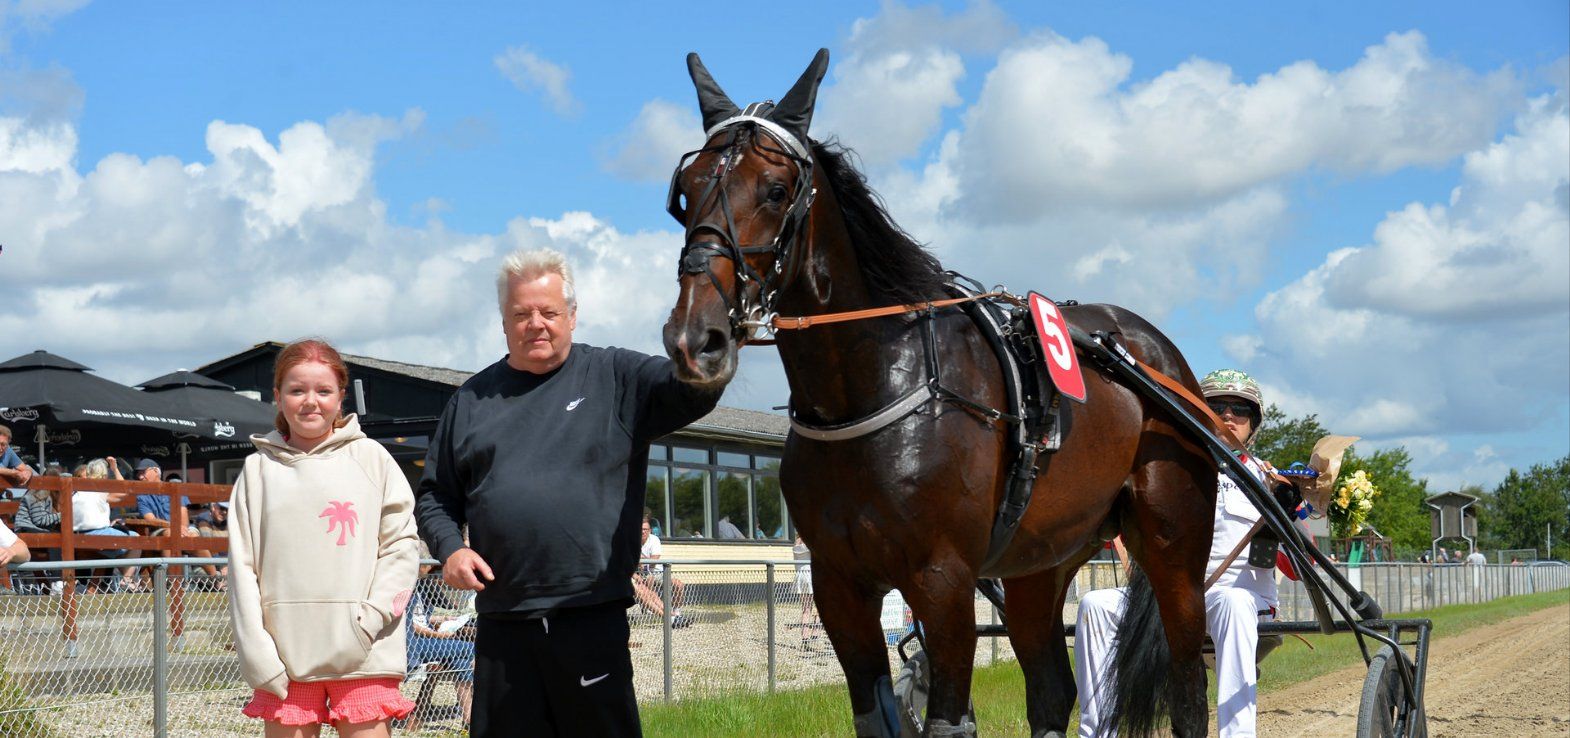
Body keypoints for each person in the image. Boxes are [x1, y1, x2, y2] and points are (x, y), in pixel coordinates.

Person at [414, 248, 721, 737]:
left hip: (590, 616)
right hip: (503, 622)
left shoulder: (616, 377)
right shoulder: (471, 400)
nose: (535, 323)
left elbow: (693, 388)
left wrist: (712, 336)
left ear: (572, 317)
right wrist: (449, 549)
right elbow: (434, 497)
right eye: (521, 313)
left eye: (548, 312)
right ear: (504, 321)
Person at [1076, 368, 1285, 738]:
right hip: (1170, 599)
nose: (1228, 416)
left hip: (1236, 600)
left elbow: (1302, 560)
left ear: (1255, 423)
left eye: (1240, 409)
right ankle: (1097, 733)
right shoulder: (1166, 476)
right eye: (1217, 406)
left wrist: (1292, 514)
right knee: (1095, 604)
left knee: (1234, 602)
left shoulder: (1272, 481)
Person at [228, 339, 420, 737]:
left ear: (341, 397)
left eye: (323, 390)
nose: (310, 402)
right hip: (284, 654)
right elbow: (241, 568)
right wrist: (257, 650)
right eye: (297, 390)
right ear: (278, 396)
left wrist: (371, 619)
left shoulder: (373, 459)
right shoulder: (257, 470)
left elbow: (401, 547)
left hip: (363, 650)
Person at [402, 546, 475, 732]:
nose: (432, 570)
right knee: (468, 650)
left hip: (428, 639)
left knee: (459, 659)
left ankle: (467, 719)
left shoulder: (422, 586)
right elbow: (408, 625)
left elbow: (422, 617)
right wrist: (439, 635)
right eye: (429, 566)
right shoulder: (405, 585)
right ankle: (471, 714)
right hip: (415, 642)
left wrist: (442, 619)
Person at [73, 458, 144, 592]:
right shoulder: (99, 491)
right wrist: (115, 469)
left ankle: (97, 587)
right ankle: (127, 580)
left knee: (120, 549)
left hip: (78, 538)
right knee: (137, 539)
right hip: (98, 535)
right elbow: (125, 490)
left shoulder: (75, 493)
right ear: (104, 476)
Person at [632, 509, 690, 627]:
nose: (643, 532)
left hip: (656, 572)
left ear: (650, 530)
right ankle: (660, 614)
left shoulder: (654, 540)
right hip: (636, 574)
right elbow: (629, 561)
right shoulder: (631, 540)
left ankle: (675, 613)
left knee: (678, 585)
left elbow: (653, 562)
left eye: (645, 529)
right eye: (641, 529)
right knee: (648, 584)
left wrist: (640, 559)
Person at [792, 534, 816, 637]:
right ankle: (815, 631)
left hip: (800, 576)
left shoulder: (796, 543)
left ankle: (804, 635)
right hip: (810, 575)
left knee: (806, 608)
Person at [0, 425, 35, 493]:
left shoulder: (8, 451)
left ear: (8, 444)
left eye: (3, 444)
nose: (0, 448)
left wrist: (28, 472)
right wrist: (13, 472)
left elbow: (25, 468)